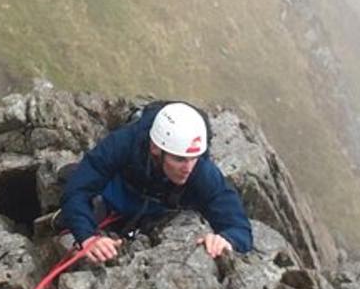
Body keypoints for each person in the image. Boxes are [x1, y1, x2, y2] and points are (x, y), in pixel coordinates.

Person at [58, 100, 253, 263]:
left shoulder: (201, 171)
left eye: (194, 158)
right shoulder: (125, 143)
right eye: (179, 159)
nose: (188, 168)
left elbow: (239, 227)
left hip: (157, 211)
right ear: (155, 149)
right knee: (77, 190)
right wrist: (87, 237)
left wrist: (226, 240)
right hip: (121, 191)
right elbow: (77, 190)